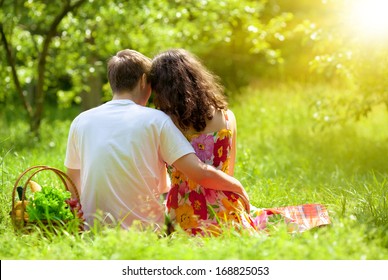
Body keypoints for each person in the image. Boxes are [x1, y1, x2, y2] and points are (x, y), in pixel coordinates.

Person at [150, 48, 331, 235]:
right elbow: (228, 172)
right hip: (226, 206)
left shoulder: (164, 123)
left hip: (183, 212)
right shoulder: (227, 116)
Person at [64, 49, 249, 231]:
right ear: (144, 81)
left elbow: (72, 182)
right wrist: (238, 188)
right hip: (150, 227)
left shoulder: (80, 120)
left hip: (94, 227)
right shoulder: (157, 120)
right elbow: (202, 173)